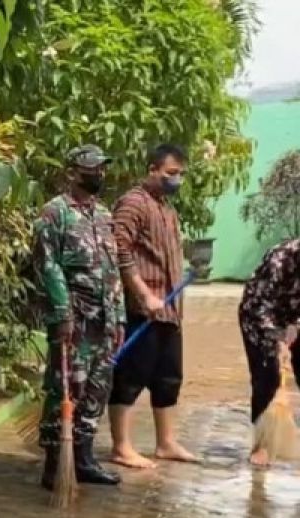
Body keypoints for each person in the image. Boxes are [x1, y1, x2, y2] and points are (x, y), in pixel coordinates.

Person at [35, 145, 125, 490]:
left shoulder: (102, 215)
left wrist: (118, 317)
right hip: (75, 317)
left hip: (103, 319)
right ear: (72, 172)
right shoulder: (54, 214)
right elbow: (47, 265)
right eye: (92, 169)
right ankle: (56, 462)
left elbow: (111, 267)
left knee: (98, 387)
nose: (99, 174)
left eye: (103, 168)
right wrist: (61, 314)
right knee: (65, 387)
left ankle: (83, 458)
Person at [108, 144, 198, 468]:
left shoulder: (166, 209)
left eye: (181, 175)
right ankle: (121, 447)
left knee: (169, 378)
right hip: (142, 311)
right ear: (152, 169)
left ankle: (166, 442)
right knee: (130, 377)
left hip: (170, 312)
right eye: (171, 173)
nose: (177, 180)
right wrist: (144, 294)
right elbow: (119, 251)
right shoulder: (133, 204)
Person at [238, 238, 300, 467]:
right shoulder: (280, 259)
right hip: (258, 317)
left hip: (293, 317)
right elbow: (262, 306)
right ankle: (261, 444)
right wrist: (279, 342)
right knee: (268, 377)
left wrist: (296, 326)